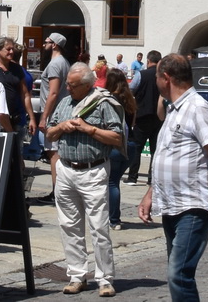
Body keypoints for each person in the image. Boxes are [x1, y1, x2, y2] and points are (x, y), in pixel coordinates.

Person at [137, 54, 208, 302]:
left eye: (157, 76)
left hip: (193, 206)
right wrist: (151, 193)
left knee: (179, 273)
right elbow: (167, 155)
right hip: (172, 205)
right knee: (178, 270)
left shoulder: (197, 108)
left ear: (166, 78)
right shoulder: (173, 109)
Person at [49, 61, 124, 296]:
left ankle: (105, 279)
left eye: (72, 86)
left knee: (99, 227)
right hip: (67, 170)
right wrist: (62, 126)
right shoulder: (64, 102)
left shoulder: (102, 103)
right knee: (69, 225)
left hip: (93, 171)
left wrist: (88, 128)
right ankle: (76, 275)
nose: (67, 89)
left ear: (86, 85)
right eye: (67, 85)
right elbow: (49, 131)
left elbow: (117, 138)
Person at [102, 69, 137, 228]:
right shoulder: (130, 99)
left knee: (112, 182)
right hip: (132, 144)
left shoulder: (110, 100)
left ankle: (114, 219)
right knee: (114, 181)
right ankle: (113, 217)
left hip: (117, 145)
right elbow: (133, 122)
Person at [127, 49, 163, 184]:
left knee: (137, 147)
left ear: (148, 61)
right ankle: (152, 179)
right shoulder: (163, 76)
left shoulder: (141, 74)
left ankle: (132, 177)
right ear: (159, 62)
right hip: (159, 117)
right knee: (155, 149)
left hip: (142, 115)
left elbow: (131, 90)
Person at [39, 32, 71, 154]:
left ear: (54, 45)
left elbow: (53, 93)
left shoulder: (55, 64)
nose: (43, 45)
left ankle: (55, 174)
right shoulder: (64, 62)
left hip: (53, 113)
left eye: (46, 42)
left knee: (53, 152)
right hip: (58, 111)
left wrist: (44, 117)